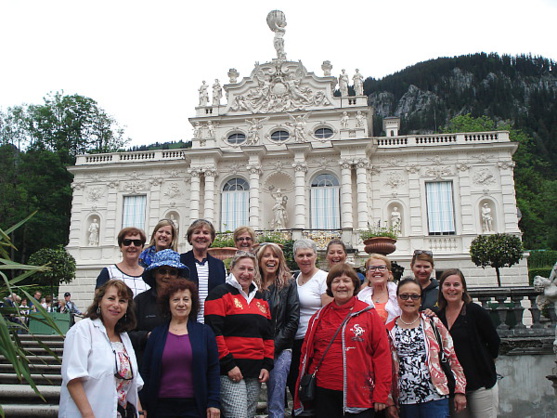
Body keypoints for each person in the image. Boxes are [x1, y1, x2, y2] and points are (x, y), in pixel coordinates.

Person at [293, 263, 392, 417]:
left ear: (354, 285)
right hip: (323, 392)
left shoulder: (368, 314)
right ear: (330, 287)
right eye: (336, 281)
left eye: (346, 281)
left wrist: (381, 393)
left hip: (359, 393)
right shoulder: (319, 316)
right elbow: (307, 356)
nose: (341, 285)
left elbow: (382, 355)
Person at [59, 280, 144, 417]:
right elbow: (73, 379)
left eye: (122, 301)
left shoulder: (124, 337)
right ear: (99, 301)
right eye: (111, 298)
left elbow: (131, 384)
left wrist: (139, 412)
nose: (116, 305)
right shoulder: (82, 330)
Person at [205, 251, 274, 418]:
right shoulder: (219, 294)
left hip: (255, 370)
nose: (246, 273)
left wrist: (267, 364)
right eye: (241, 268)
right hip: (230, 370)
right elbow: (214, 333)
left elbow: (268, 335)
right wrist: (229, 365)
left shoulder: (261, 299)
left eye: (250, 269)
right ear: (232, 268)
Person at [386, 278, 467, 418]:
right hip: (405, 401)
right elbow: (385, 368)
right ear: (397, 298)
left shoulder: (433, 323)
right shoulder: (389, 330)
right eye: (404, 296)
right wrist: (390, 402)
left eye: (414, 296)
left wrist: (460, 390)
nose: (409, 300)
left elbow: (451, 356)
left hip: (435, 397)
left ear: (421, 299)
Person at [141, 280, 221, 418]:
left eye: (186, 299)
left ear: (192, 303)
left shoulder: (204, 333)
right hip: (160, 407)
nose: (181, 304)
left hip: (195, 406)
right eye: (176, 300)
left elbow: (213, 369)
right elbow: (146, 371)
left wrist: (213, 402)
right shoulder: (157, 334)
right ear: (168, 304)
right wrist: (142, 405)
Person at [437, 269, 500, 418]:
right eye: (447, 285)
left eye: (456, 284)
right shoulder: (438, 316)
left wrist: (483, 362)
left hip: (480, 383)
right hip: (454, 387)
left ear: (463, 288)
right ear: (441, 288)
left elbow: (494, 342)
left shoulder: (475, 311)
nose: (451, 288)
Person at [256, 243, 300, 418]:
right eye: (266, 256)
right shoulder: (251, 283)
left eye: (275, 256)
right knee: (250, 397)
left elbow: (292, 319)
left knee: (276, 399)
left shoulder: (288, 283)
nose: (271, 260)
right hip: (254, 349)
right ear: (259, 260)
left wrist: (273, 347)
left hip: (280, 348)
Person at [287, 239, 333, 400]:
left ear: (315, 256)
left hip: (315, 340)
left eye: (308, 255)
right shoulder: (294, 279)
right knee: (294, 380)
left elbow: (328, 313)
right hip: (295, 339)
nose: (305, 259)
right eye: (301, 255)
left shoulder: (323, 278)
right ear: (295, 258)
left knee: (313, 385)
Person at [130, 249, 190, 367]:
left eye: (172, 272)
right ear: (154, 273)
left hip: (178, 362)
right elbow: (127, 334)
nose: (167, 276)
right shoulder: (140, 301)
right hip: (147, 363)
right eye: (162, 271)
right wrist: (147, 336)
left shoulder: (185, 302)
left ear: (178, 276)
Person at [180, 219, 226, 323]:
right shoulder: (180, 262)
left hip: (213, 324)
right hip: (185, 323)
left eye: (206, 233)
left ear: (211, 239)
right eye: (197, 232)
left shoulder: (219, 265)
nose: (201, 236)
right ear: (190, 238)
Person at [96, 227, 149, 296]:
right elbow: (98, 301)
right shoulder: (108, 272)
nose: (132, 245)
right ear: (121, 247)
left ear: (142, 247)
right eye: (127, 242)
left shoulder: (148, 275)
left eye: (137, 243)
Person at [357, 254, 401, 324]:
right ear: (367, 275)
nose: (377, 271)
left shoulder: (400, 294)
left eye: (381, 267)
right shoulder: (360, 297)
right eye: (372, 268)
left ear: (389, 274)